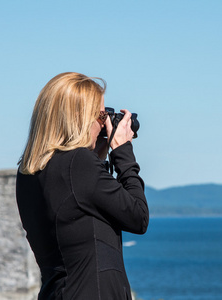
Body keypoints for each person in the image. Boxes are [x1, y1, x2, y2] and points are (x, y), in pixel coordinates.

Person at [15, 72, 149, 300]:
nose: (103, 124)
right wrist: (123, 153)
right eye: (100, 116)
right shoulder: (78, 165)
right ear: (78, 118)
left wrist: (96, 158)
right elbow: (137, 217)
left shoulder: (29, 171)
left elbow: (79, 212)